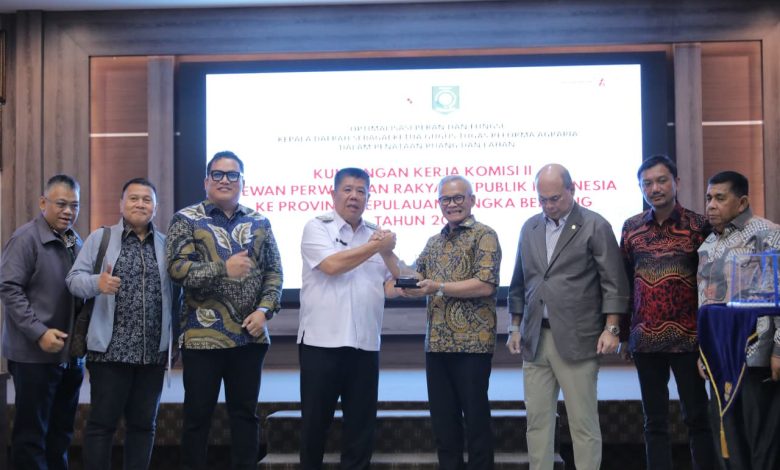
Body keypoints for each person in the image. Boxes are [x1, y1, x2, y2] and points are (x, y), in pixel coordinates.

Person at [506, 163, 629, 470]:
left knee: (582, 424)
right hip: (535, 337)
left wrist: (612, 328)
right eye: (542, 199)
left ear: (572, 190)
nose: (549, 205)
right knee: (537, 422)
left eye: (555, 198)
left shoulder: (594, 225)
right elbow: (520, 281)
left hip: (578, 337)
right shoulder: (529, 227)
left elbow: (613, 282)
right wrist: (514, 326)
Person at [166, 151, 283, 470]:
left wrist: (264, 311)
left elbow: (274, 273)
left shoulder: (259, 222)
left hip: (249, 337)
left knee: (245, 416)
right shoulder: (186, 219)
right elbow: (176, 269)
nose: (225, 180)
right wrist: (222, 268)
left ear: (243, 182)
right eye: (217, 174)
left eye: (232, 175)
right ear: (206, 181)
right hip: (202, 338)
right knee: (197, 418)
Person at [66, 177, 172, 470]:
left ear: (155, 208)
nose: (140, 204)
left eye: (147, 200)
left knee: (144, 427)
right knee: (102, 425)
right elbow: (73, 281)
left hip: (152, 355)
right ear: (121, 204)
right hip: (109, 354)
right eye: (134, 198)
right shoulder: (100, 238)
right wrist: (96, 283)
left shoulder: (165, 245)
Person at [297, 167, 400, 470]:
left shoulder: (376, 235)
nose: (354, 196)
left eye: (361, 191)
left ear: (368, 196)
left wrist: (393, 262)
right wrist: (376, 247)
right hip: (321, 343)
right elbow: (331, 266)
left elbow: (390, 283)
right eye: (348, 189)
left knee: (361, 427)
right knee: (315, 425)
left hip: (365, 344)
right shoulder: (317, 227)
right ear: (334, 194)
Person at [619, 155, 716, 470]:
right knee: (654, 421)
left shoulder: (699, 226)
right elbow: (625, 282)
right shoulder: (631, 228)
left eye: (661, 180)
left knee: (697, 417)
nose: (655, 188)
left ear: (677, 182)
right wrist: (624, 334)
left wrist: (709, 340)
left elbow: (711, 284)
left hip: (689, 339)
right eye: (647, 183)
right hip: (645, 339)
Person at [401, 174, 502, 470]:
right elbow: (413, 276)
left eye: (458, 197)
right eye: (446, 199)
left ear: (472, 200)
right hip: (436, 344)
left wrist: (439, 287)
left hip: (472, 345)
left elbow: (485, 284)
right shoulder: (434, 242)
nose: (452, 204)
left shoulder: (485, 235)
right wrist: (385, 253)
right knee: (444, 426)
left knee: (476, 423)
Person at [697, 170, 780, 470]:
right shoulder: (707, 245)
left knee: (761, 446)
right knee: (729, 446)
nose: (711, 205)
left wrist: (779, 349)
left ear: (742, 202)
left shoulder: (766, 234)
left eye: (720, 198)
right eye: (709, 198)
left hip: (756, 356)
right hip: (720, 359)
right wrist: (703, 352)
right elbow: (704, 302)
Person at [0, 174, 84, 470]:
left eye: (75, 205)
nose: (68, 211)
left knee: (60, 435)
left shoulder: (75, 240)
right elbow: (8, 288)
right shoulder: (25, 238)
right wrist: (39, 333)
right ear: (42, 203)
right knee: (31, 436)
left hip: (69, 357)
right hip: (33, 356)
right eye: (61, 204)